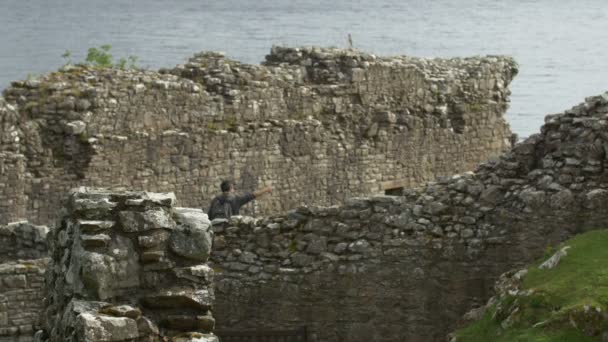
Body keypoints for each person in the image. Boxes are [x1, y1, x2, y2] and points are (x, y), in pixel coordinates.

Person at [207, 180, 272, 220]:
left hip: (215, 230)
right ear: (230, 188)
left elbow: (209, 217)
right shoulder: (236, 199)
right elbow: (253, 195)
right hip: (230, 230)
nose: (234, 190)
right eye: (233, 188)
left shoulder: (215, 200)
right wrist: (266, 189)